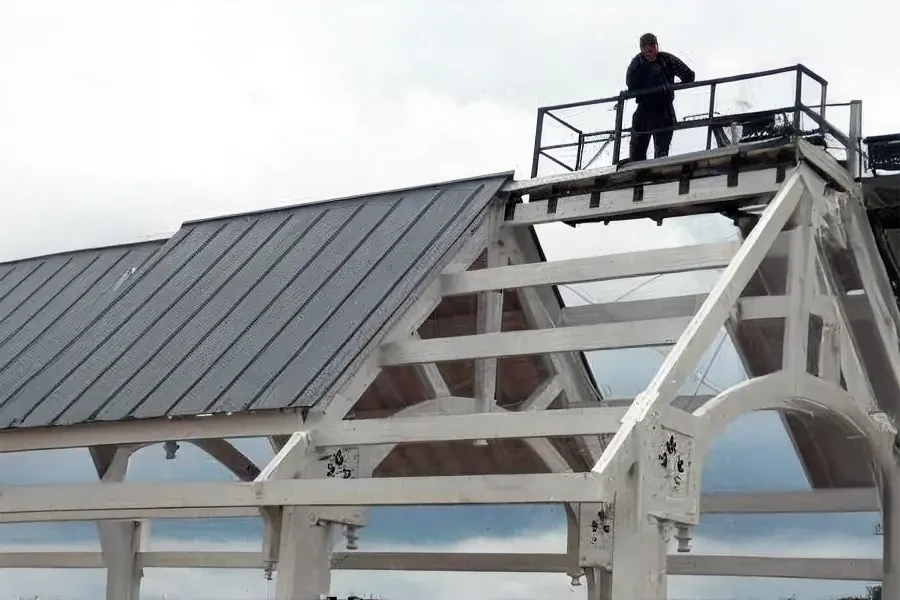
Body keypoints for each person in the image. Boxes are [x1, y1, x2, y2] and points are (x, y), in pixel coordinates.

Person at [625, 33, 695, 162]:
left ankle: (659, 175)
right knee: (636, 155)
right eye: (645, 50)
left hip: (664, 110)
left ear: (656, 47)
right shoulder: (637, 63)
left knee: (661, 156)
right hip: (644, 110)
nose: (649, 53)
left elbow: (689, 75)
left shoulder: (667, 59)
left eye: (651, 49)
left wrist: (669, 86)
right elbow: (631, 85)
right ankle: (637, 178)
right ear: (641, 50)